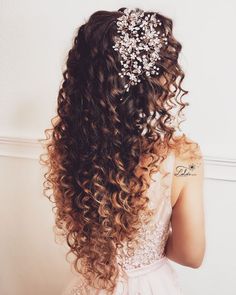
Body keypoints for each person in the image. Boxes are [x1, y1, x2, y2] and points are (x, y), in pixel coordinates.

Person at [40, 7, 205, 294]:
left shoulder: (65, 142)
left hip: (92, 285)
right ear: (157, 83)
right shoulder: (184, 158)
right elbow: (190, 254)